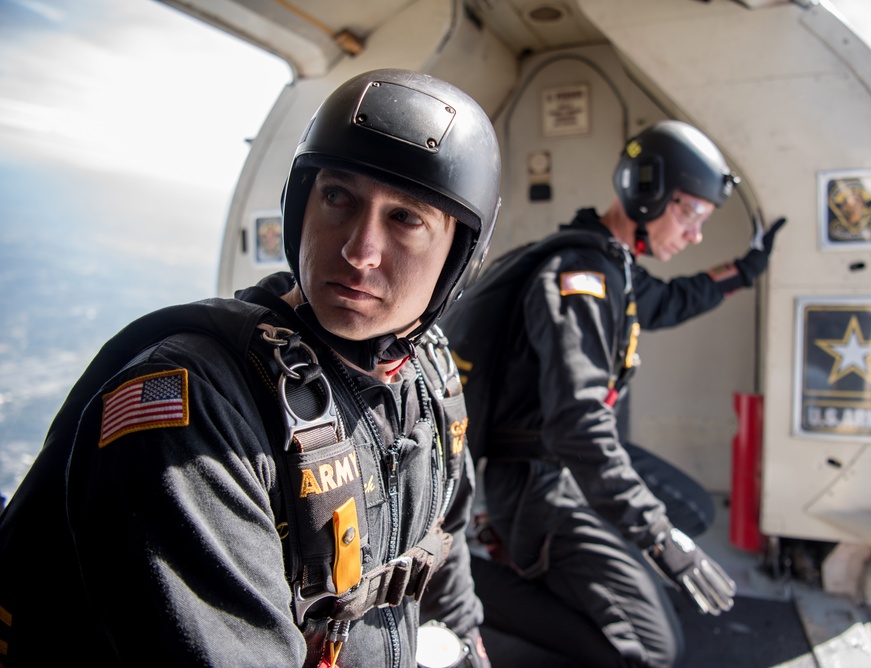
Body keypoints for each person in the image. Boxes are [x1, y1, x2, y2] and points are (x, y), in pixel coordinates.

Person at [0, 68, 500, 668]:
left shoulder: (430, 379)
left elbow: (443, 551)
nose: (359, 250)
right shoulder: (194, 411)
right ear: (300, 206)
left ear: (459, 258)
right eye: (338, 197)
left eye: (406, 219)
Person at [439, 120, 785, 667]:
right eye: (690, 213)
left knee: (691, 511)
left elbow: (671, 301)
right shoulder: (580, 277)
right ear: (648, 192)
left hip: (562, 467)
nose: (695, 234)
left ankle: (575, 568)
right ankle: (469, 582)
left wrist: (744, 271)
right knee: (653, 652)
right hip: (541, 483)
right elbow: (578, 427)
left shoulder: (612, 265)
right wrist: (656, 537)